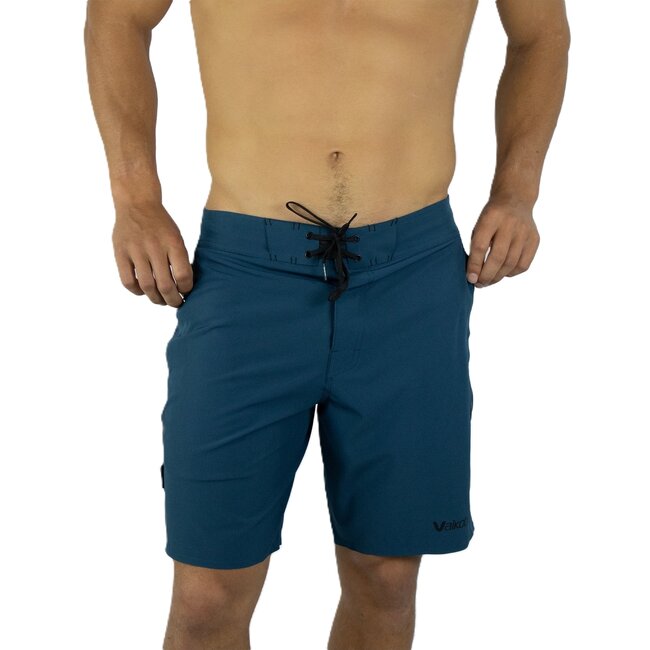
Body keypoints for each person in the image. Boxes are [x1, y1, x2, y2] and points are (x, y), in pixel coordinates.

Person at [84, 1, 569, 648]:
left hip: (411, 271)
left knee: (386, 577)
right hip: (245, 272)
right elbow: (117, 16)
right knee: (206, 596)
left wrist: (517, 190)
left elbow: (541, 35)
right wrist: (136, 198)